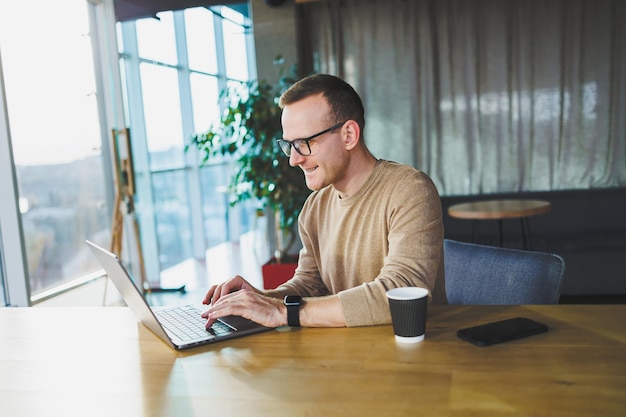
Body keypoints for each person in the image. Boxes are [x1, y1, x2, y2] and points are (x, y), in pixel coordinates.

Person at [202, 73, 445, 329]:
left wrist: (282, 311)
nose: (294, 160)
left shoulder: (409, 190)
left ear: (349, 135)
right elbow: (310, 286)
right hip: (349, 351)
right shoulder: (314, 207)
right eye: (289, 145)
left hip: (416, 350)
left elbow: (402, 293)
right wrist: (257, 299)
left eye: (305, 143)